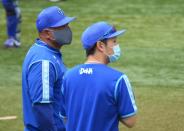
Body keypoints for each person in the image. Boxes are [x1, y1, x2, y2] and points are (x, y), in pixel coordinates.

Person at [61, 21, 138, 131]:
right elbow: (131, 121)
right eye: (114, 41)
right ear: (101, 46)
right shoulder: (117, 79)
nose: (117, 46)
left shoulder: (68, 76)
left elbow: (64, 117)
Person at [22, 6, 75, 131]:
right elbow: (42, 106)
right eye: (62, 27)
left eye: (67, 25)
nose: (68, 30)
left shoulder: (45, 52)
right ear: (47, 33)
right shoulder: (43, 61)